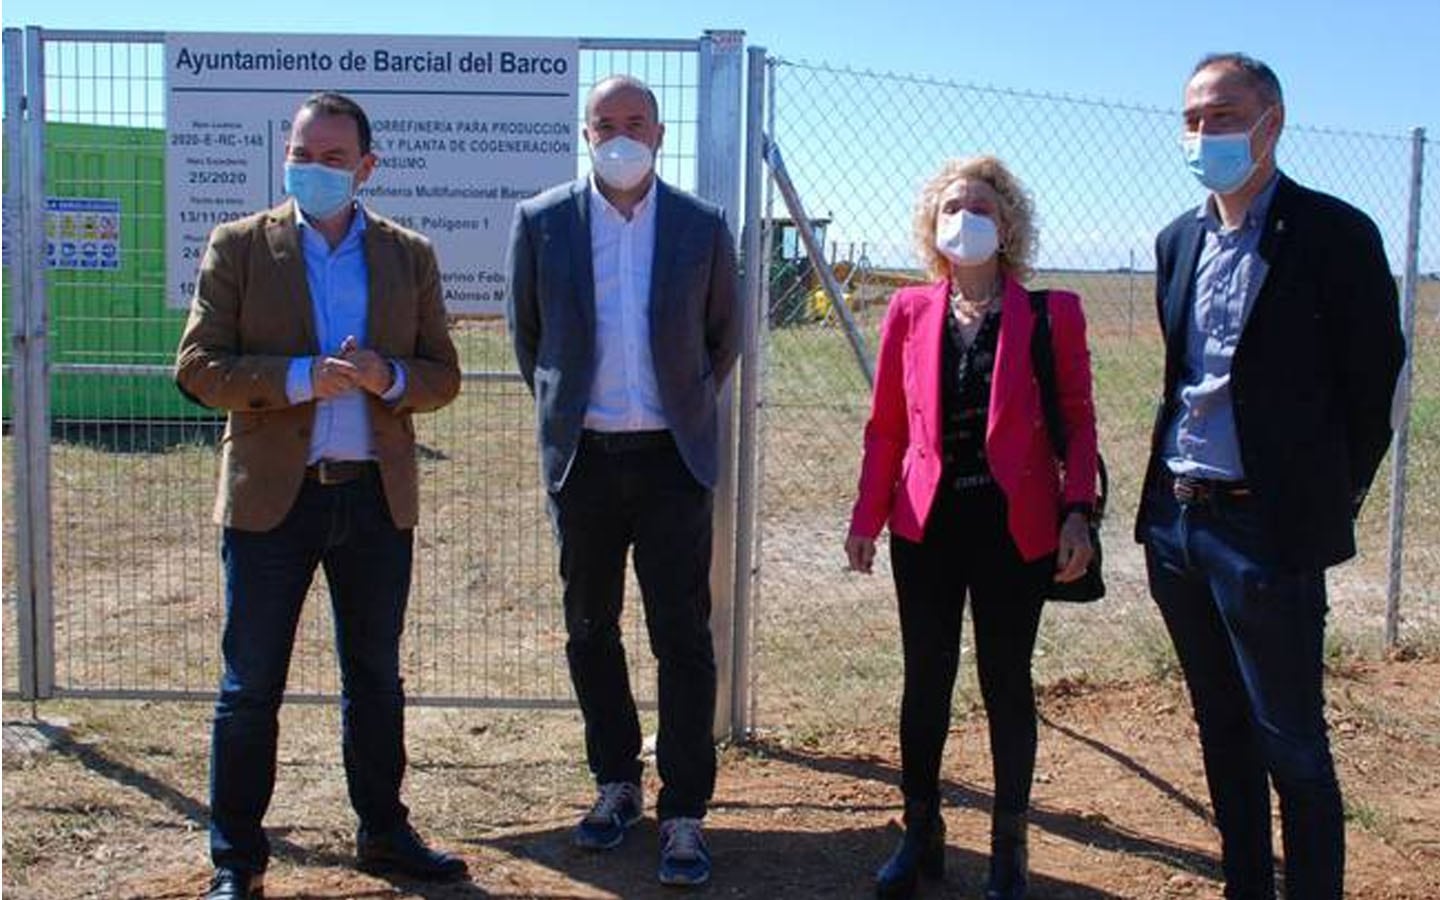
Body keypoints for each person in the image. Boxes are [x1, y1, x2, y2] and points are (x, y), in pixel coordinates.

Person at [175, 91, 465, 900]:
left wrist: (390, 377)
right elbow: (197, 368)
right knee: (249, 688)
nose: (316, 169)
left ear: (366, 167)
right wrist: (301, 378)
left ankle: (384, 832)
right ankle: (237, 860)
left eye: (335, 158)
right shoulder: (238, 247)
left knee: (375, 679)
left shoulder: (410, 255)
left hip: (374, 500)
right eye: (304, 153)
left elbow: (443, 376)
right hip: (273, 502)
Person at [1135, 54, 1405, 899]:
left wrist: (1325, 495)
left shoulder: (1333, 233)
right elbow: (1187, 377)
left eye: (1222, 115)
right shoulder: (1177, 241)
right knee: (1221, 730)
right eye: (1192, 119)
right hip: (1180, 527)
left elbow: (1375, 384)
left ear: (1271, 122)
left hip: (1266, 533)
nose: (1204, 133)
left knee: (1290, 741)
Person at [505, 74, 740, 887]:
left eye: (635, 121)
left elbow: (723, 335)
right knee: (589, 628)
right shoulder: (541, 224)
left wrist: (679, 409)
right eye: (605, 122)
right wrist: (573, 416)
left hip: (674, 462)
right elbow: (529, 340)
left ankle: (684, 810)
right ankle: (616, 783)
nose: (620, 134)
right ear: (584, 134)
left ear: (660, 133)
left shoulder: (702, 226)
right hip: (587, 462)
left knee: (682, 635)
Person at [846, 156, 1099, 900]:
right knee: (925, 681)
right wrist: (867, 518)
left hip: (1012, 528)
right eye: (953, 206)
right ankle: (919, 831)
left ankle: (1009, 850)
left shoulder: (1052, 313)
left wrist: (1078, 509)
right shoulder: (910, 311)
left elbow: (1079, 423)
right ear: (933, 224)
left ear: (1008, 223)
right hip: (924, 527)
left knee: (1005, 684)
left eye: (982, 206)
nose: (966, 218)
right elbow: (886, 429)